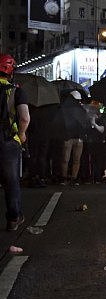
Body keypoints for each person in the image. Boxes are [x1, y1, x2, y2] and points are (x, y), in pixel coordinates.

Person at [0, 54, 30, 231]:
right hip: (8, 141)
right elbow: (24, 118)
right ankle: (14, 218)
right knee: (11, 182)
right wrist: (22, 134)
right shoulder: (17, 91)